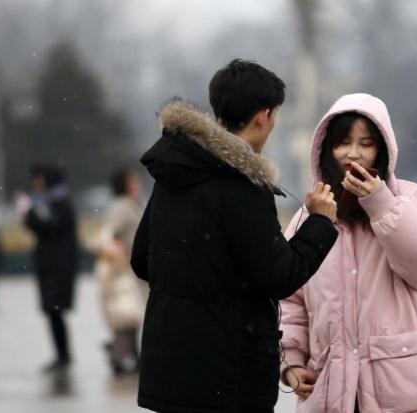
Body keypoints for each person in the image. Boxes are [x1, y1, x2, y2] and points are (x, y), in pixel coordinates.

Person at [130, 59, 339, 413]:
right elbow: (280, 275)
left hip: (169, 370)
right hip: (227, 377)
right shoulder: (242, 185)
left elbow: (141, 259)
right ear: (263, 116)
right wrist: (319, 221)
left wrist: (199, 285)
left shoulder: (176, 168)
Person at [280, 93, 417, 413]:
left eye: (365, 144)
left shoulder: (410, 197)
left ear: (382, 150)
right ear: (327, 149)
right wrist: (291, 362)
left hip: (407, 384)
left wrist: (381, 203)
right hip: (332, 386)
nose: (353, 154)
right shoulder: (311, 213)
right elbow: (290, 297)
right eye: (343, 143)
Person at [16, 164, 78, 372]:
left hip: (57, 267)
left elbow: (49, 227)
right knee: (53, 312)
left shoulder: (59, 203)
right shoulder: (52, 202)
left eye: (39, 179)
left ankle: (63, 356)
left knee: (55, 310)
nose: (37, 183)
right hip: (51, 266)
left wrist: (29, 212)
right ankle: (62, 355)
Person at [95, 169, 145, 375]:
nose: (137, 184)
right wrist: (123, 251)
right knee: (127, 314)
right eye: (133, 181)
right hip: (124, 272)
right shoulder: (122, 207)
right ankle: (120, 354)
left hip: (131, 268)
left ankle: (129, 355)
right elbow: (112, 234)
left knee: (131, 315)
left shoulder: (131, 204)